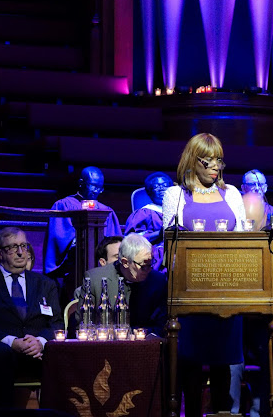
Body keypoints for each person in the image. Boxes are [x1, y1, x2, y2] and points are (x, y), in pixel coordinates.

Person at [162, 132, 246, 416]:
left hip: (226, 292)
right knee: (191, 368)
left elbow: (243, 240)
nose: (216, 167)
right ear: (192, 161)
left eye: (219, 161)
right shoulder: (175, 195)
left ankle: (223, 412)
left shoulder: (232, 193)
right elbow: (170, 249)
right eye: (208, 161)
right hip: (190, 295)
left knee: (224, 366)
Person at [0, 227, 63, 409]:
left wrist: (40, 341)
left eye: (24, 246)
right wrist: (12, 342)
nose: (20, 252)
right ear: (0, 253)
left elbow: (57, 323)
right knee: (1, 353)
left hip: (37, 354)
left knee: (61, 354)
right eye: (12, 248)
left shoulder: (45, 284)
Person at [43, 166, 122, 304]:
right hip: (74, 265)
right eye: (93, 186)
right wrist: (80, 242)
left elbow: (115, 240)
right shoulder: (63, 205)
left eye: (100, 187)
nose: (97, 191)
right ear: (81, 183)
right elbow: (59, 237)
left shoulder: (106, 210)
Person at [74, 233, 168, 336]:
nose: (148, 270)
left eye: (150, 264)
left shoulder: (158, 281)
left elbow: (163, 326)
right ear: (125, 262)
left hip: (146, 346)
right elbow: (84, 324)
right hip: (106, 346)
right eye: (143, 266)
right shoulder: (95, 279)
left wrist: (136, 333)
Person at [125, 172, 173, 272]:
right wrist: (159, 234)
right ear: (149, 191)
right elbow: (132, 239)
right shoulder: (144, 213)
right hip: (155, 255)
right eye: (157, 186)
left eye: (165, 185)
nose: (161, 189)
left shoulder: (179, 211)